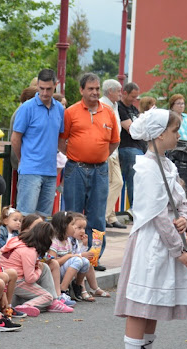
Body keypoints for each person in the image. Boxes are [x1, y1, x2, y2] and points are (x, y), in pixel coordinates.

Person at [113, 107, 187, 349]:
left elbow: (180, 203)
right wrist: (180, 250)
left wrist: (184, 217)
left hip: (166, 241)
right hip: (152, 243)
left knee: (153, 303)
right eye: (174, 131)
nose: (178, 135)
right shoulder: (146, 167)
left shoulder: (168, 165)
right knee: (142, 303)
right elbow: (157, 215)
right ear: (159, 135)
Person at [59, 73, 120, 272]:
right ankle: (70, 254)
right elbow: (62, 139)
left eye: (97, 89)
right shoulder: (71, 112)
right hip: (75, 169)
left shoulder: (109, 112)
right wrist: (77, 155)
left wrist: (98, 156)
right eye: (90, 89)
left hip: (100, 170)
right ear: (82, 90)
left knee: (97, 217)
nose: (94, 92)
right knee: (73, 215)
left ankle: (94, 258)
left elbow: (115, 141)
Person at [11, 69, 64, 217]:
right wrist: (23, 159)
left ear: (55, 85)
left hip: (50, 170)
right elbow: (15, 138)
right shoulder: (27, 108)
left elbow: (59, 138)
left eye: (49, 89)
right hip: (30, 169)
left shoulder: (59, 108)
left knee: (44, 218)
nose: (45, 93)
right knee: (26, 216)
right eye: (41, 89)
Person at [0, 221, 72, 316]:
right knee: (47, 296)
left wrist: (40, 267)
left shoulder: (18, 240)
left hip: (12, 277)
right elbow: (30, 278)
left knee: (45, 267)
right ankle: (27, 306)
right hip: (17, 282)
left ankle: (54, 301)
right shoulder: (29, 251)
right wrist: (38, 269)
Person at [100, 79, 125, 229]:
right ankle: (104, 216)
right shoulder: (103, 105)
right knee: (114, 183)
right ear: (110, 91)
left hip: (114, 151)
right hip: (107, 150)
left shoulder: (114, 105)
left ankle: (109, 215)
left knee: (116, 182)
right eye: (118, 91)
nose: (120, 94)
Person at [167, 94, 187, 201]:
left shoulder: (186, 117)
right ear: (172, 105)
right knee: (184, 183)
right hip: (179, 152)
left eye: (183, 103)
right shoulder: (171, 118)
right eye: (178, 103)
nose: (181, 106)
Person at [117, 82, 142, 209]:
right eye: (132, 96)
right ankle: (135, 208)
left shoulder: (133, 108)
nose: (134, 100)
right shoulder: (120, 107)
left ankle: (139, 206)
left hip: (138, 146)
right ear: (125, 93)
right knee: (134, 177)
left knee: (141, 178)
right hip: (126, 146)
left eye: (136, 97)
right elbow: (131, 129)